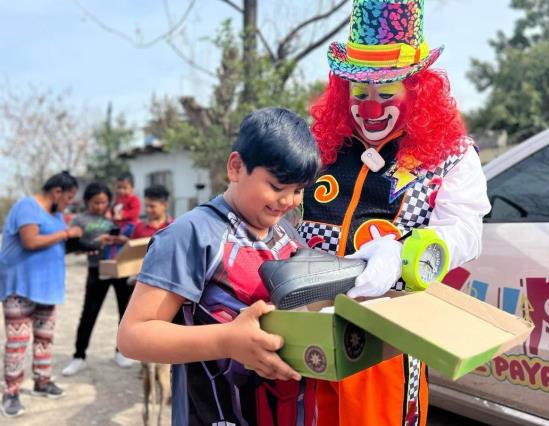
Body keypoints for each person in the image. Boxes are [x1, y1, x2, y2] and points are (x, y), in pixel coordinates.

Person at [298, 1, 491, 425]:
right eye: (359, 92)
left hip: (384, 337)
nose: (370, 107)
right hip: (305, 325)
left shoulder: (450, 155)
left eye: (386, 93)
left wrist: (401, 253)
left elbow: (465, 232)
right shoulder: (318, 145)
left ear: (417, 90)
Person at [117, 108, 321, 426]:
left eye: (297, 190)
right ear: (236, 167)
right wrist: (227, 340)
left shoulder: (287, 233)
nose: (288, 201)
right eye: (277, 187)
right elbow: (133, 335)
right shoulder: (192, 235)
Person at [0, 171, 82, 417]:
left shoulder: (56, 215)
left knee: (44, 338)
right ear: (56, 192)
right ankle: (11, 392)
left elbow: (53, 245)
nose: (69, 203)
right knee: (18, 342)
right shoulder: (27, 206)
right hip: (20, 286)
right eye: (68, 198)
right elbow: (31, 241)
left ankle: (42, 381)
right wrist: (68, 233)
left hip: (47, 288)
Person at [61, 182, 137, 376]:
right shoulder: (80, 220)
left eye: (104, 202)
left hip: (120, 269)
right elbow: (74, 246)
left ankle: (121, 352)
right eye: (96, 203)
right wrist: (95, 242)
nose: (100, 206)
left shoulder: (117, 217)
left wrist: (122, 239)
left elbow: (132, 235)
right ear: (87, 202)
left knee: (124, 312)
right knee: (89, 313)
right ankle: (79, 356)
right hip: (97, 270)